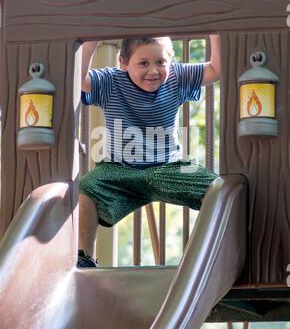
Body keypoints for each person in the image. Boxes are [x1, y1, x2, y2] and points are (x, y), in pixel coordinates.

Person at [78, 35, 220, 268]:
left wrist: (216, 31)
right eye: (143, 63)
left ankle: (207, 255)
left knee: (217, 190)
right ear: (123, 62)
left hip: (169, 166)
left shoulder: (177, 77)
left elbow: (216, 69)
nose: (153, 71)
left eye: (160, 62)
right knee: (86, 187)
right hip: (118, 169)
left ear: (170, 62)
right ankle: (84, 258)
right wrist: (91, 39)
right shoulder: (111, 82)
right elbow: (80, 79)